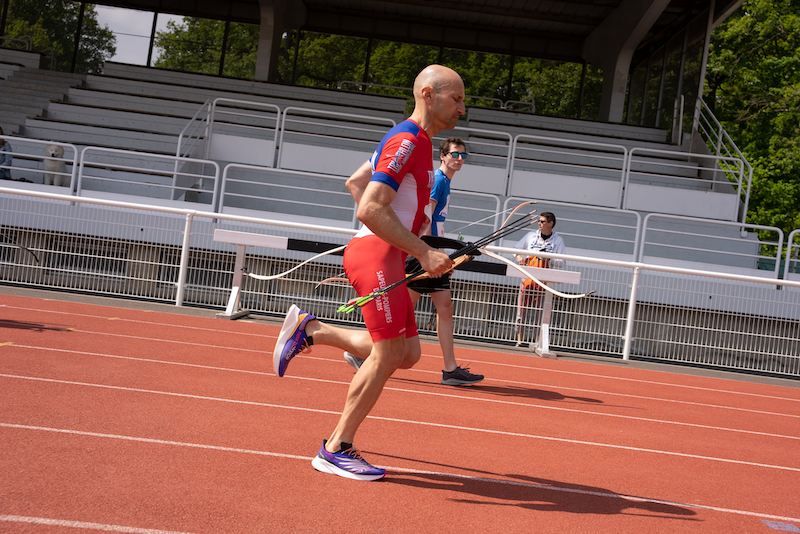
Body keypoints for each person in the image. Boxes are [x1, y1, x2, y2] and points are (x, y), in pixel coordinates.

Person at [273, 64, 465, 481]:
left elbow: (354, 181)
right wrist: (420, 250)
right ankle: (335, 446)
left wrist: (408, 234)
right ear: (428, 95)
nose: (462, 109)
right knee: (389, 353)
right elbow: (369, 206)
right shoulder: (408, 139)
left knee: (409, 354)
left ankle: (313, 331)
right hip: (379, 255)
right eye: (457, 98)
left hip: (385, 253)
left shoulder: (416, 141)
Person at [342, 137, 483, 386]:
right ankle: (364, 352)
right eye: (455, 154)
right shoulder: (439, 181)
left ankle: (449, 368)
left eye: (463, 155)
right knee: (415, 310)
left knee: (439, 308)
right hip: (424, 254)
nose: (459, 159)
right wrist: (428, 253)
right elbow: (425, 221)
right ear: (443, 156)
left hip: (427, 252)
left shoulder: (444, 182)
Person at [512, 211, 566, 347]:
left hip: (545, 281)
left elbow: (562, 262)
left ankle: (537, 342)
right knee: (522, 309)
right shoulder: (531, 235)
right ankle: (519, 340)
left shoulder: (558, 240)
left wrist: (549, 257)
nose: (539, 223)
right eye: (539, 221)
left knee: (540, 312)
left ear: (550, 223)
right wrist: (518, 256)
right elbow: (516, 248)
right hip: (528, 279)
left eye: (542, 221)